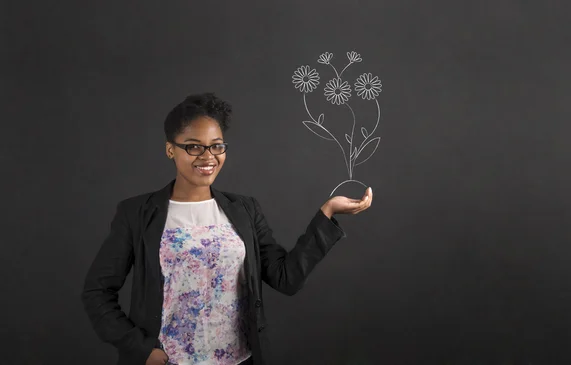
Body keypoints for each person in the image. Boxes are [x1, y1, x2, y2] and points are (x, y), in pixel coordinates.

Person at [81, 93, 373, 365]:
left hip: (239, 361)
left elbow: (286, 278)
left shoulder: (244, 210)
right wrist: (142, 350)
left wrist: (327, 213)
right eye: (193, 146)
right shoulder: (138, 213)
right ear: (171, 149)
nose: (208, 156)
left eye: (216, 145)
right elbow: (97, 292)